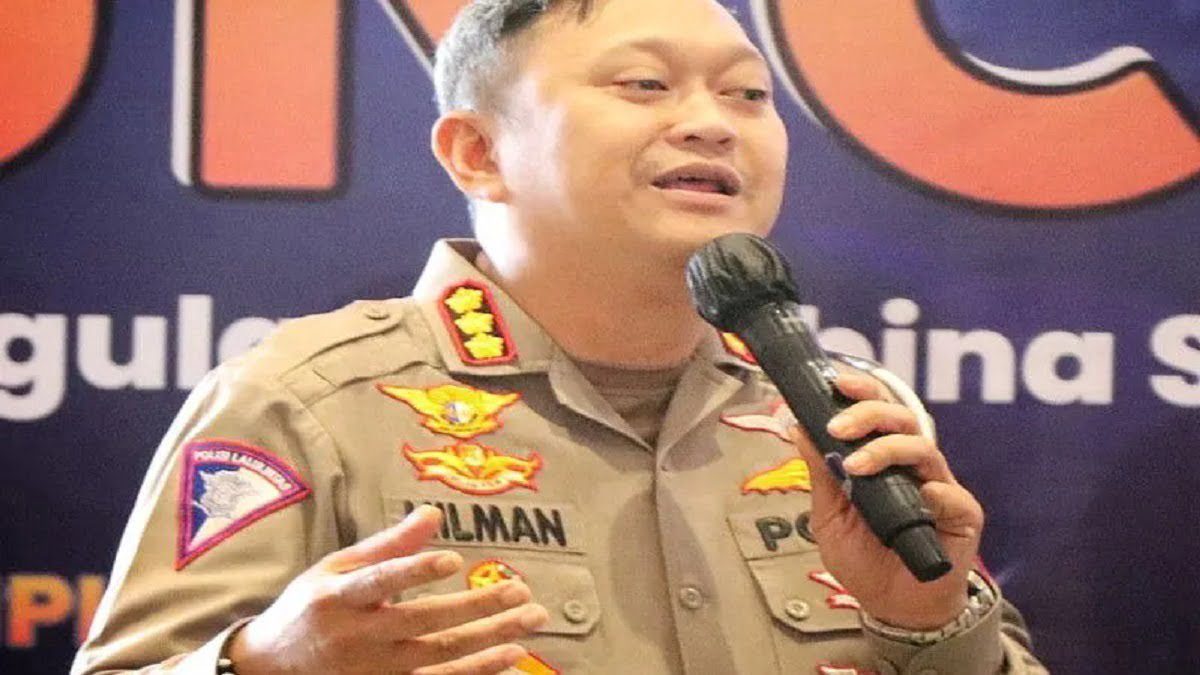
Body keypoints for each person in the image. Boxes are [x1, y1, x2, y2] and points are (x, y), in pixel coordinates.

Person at [73, 0, 1048, 673]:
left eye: (749, 95)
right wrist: (261, 664)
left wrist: (927, 621)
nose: (712, 124)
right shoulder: (306, 401)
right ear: (478, 152)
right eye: (645, 84)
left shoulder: (846, 416)